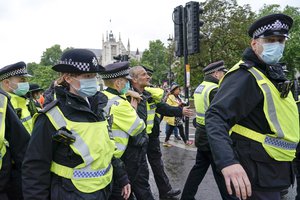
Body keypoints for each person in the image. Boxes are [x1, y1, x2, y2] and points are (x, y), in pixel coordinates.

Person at [205, 13, 299, 200]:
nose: (277, 45)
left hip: (276, 170)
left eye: (281, 40)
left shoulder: (273, 76)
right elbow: (215, 116)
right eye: (270, 40)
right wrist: (227, 162)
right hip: (256, 173)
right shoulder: (246, 75)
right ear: (254, 44)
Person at [22, 48, 129, 200]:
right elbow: (35, 169)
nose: (93, 80)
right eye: (87, 76)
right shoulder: (51, 116)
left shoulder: (98, 108)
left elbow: (106, 148)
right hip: (71, 193)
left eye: (94, 75)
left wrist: (122, 177)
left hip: (105, 189)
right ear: (68, 78)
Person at [129, 66, 193, 200]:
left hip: (151, 136)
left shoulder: (148, 95)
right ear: (134, 80)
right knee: (140, 171)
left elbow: (162, 107)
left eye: (147, 74)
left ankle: (166, 191)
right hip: (136, 139)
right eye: (144, 74)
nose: (148, 77)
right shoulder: (129, 96)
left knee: (158, 164)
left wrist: (180, 111)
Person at [181, 60, 238, 200]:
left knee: (198, 169)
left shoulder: (200, 87)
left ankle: (186, 196)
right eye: (223, 72)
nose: (224, 75)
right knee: (222, 171)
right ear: (216, 73)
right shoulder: (214, 90)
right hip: (213, 137)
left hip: (202, 134)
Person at [99, 61, 146, 200]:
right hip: (119, 160)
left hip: (104, 159)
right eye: (126, 81)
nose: (128, 85)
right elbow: (140, 129)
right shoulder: (122, 105)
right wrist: (133, 109)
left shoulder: (100, 97)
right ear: (118, 83)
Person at [0, 61, 33, 133]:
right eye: (22, 80)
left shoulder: (25, 102)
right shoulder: (2, 106)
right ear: (7, 83)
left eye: (26, 80)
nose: (26, 83)